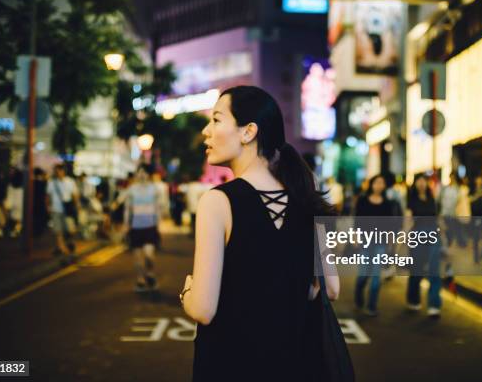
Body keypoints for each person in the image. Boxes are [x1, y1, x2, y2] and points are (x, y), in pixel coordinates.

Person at [182, 86, 342, 381]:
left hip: (231, 365)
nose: (206, 131)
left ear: (248, 132)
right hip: (296, 364)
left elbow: (203, 310)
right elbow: (330, 288)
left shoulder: (218, 202)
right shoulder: (308, 197)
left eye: (216, 120)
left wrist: (188, 290)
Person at [354, 173, 397, 315]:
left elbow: (390, 224)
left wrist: (391, 241)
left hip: (381, 242)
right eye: (376, 182)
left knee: (376, 276)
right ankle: (359, 292)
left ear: (384, 186)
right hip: (366, 241)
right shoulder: (362, 201)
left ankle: (372, 306)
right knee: (363, 275)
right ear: (371, 184)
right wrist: (355, 237)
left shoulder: (387, 203)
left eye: (381, 183)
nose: (379, 185)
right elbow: (357, 221)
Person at [406, 174, 442, 318]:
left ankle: (434, 305)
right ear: (415, 184)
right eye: (418, 181)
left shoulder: (432, 199)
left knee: (434, 270)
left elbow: (437, 218)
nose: (421, 184)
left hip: (433, 234)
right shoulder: (412, 201)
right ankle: (413, 299)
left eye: (423, 181)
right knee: (416, 270)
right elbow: (408, 219)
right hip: (417, 235)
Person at [124, 164, 160, 292]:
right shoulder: (132, 189)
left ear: (148, 174)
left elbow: (157, 208)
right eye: (139, 172)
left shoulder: (154, 189)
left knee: (149, 255)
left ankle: (150, 273)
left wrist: (157, 225)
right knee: (138, 258)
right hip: (136, 227)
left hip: (150, 226)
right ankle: (140, 280)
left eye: (144, 172)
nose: (142, 174)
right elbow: (128, 209)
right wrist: (126, 225)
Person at [46, 164, 79, 257]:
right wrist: (48, 207)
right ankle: (61, 247)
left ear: (63, 171)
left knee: (69, 229)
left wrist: (76, 206)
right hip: (56, 209)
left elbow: (75, 195)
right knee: (58, 230)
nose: (58, 173)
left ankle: (69, 244)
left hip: (68, 210)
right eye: (56, 171)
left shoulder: (70, 181)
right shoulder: (52, 182)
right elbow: (48, 196)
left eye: (59, 171)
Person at [4, 168, 24, 238]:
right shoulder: (24, 185)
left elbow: (9, 196)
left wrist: (7, 205)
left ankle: (14, 231)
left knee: (14, 218)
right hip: (21, 204)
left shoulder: (10, 185)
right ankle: (17, 230)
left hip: (13, 204)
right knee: (20, 219)